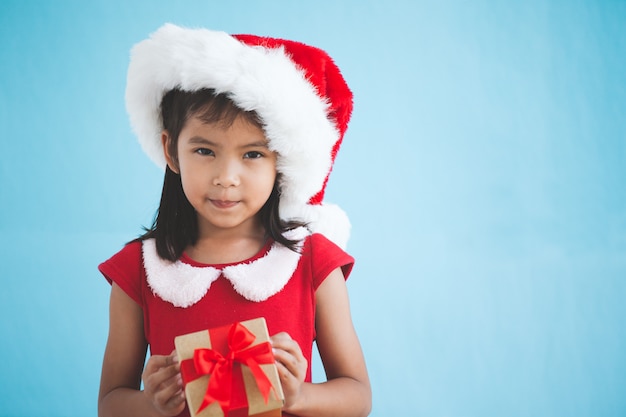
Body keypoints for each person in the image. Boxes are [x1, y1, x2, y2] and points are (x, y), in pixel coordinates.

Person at [97, 23, 371, 417]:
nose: (226, 177)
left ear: (282, 162)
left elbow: (358, 397)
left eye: (253, 154)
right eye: (205, 150)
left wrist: (300, 396)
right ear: (171, 151)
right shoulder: (138, 270)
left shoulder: (313, 262)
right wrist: (150, 403)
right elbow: (109, 404)